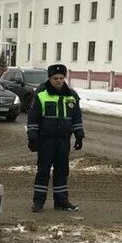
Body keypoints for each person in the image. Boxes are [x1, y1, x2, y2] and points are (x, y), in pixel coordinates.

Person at [26, 63, 84, 212]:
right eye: (55, 78)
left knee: (62, 171)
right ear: (50, 78)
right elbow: (33, 118)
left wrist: (79, 135)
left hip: (63, 140)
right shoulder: (41, 94)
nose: (58, 81)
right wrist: (32, 137)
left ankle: (61, 201)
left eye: (61, 78)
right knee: (43, 171)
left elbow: (76, 118)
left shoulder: (71, 96)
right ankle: (38, 202)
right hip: (46, 140)